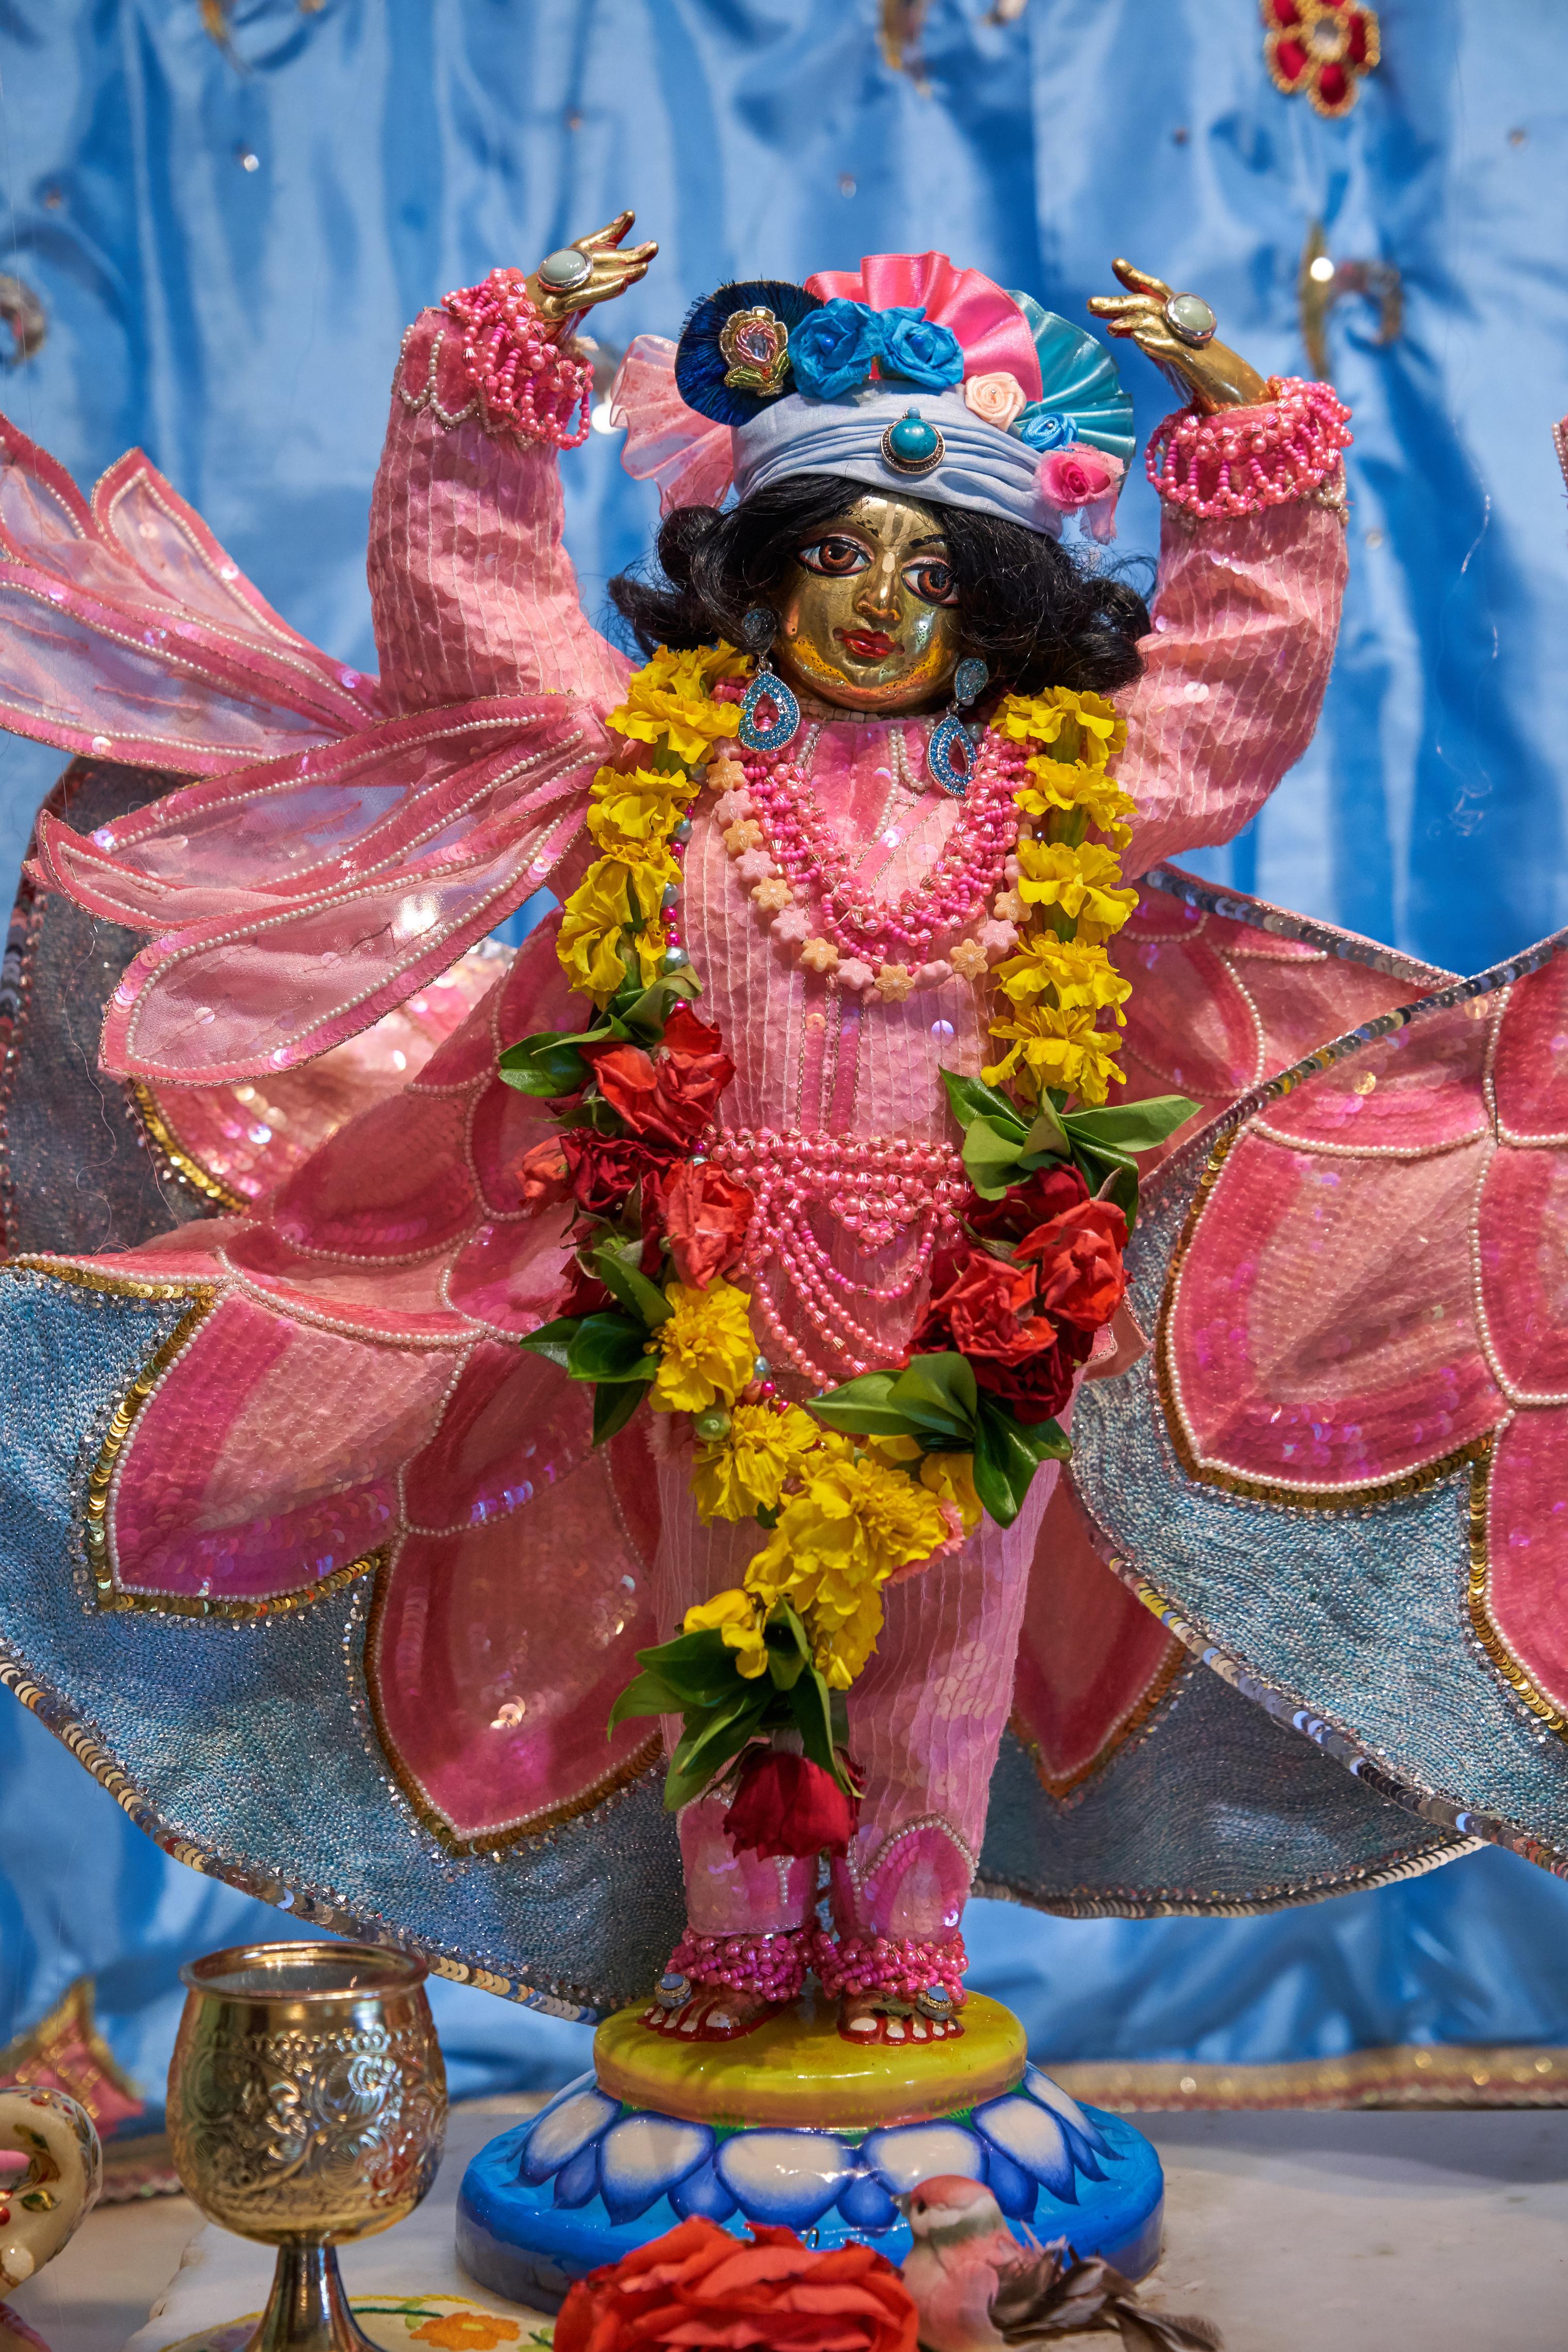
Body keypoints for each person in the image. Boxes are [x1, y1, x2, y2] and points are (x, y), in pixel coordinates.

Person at [0, 218, 1419, 2040]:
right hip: (710, 1288)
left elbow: (1230, 692)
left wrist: (1240, 440)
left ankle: (904, 1938)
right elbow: (476, 626)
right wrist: (494, 380)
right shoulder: (658, 765)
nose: (878, 602)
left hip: (980, 1307)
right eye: (833, 551)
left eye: (930, 567)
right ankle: (738, 1929)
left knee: (946, 1627)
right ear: (756, 570)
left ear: (992, 600)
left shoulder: (1062, 787)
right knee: (720, 1613)